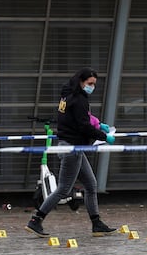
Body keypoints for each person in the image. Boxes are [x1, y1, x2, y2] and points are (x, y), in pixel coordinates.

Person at [25, 67, 117, 238]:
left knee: (91, 185)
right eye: (90, 83)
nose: (92, 87)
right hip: (72, 149)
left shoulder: (67, 96)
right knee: (63, 189)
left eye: (94, 84)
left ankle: (96, 223)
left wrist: (99, 124)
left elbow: (82, 117)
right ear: (81, 82)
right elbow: (83, 125)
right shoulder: (80, 99)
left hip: (74, 147)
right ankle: (36, 220)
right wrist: (104, 136)